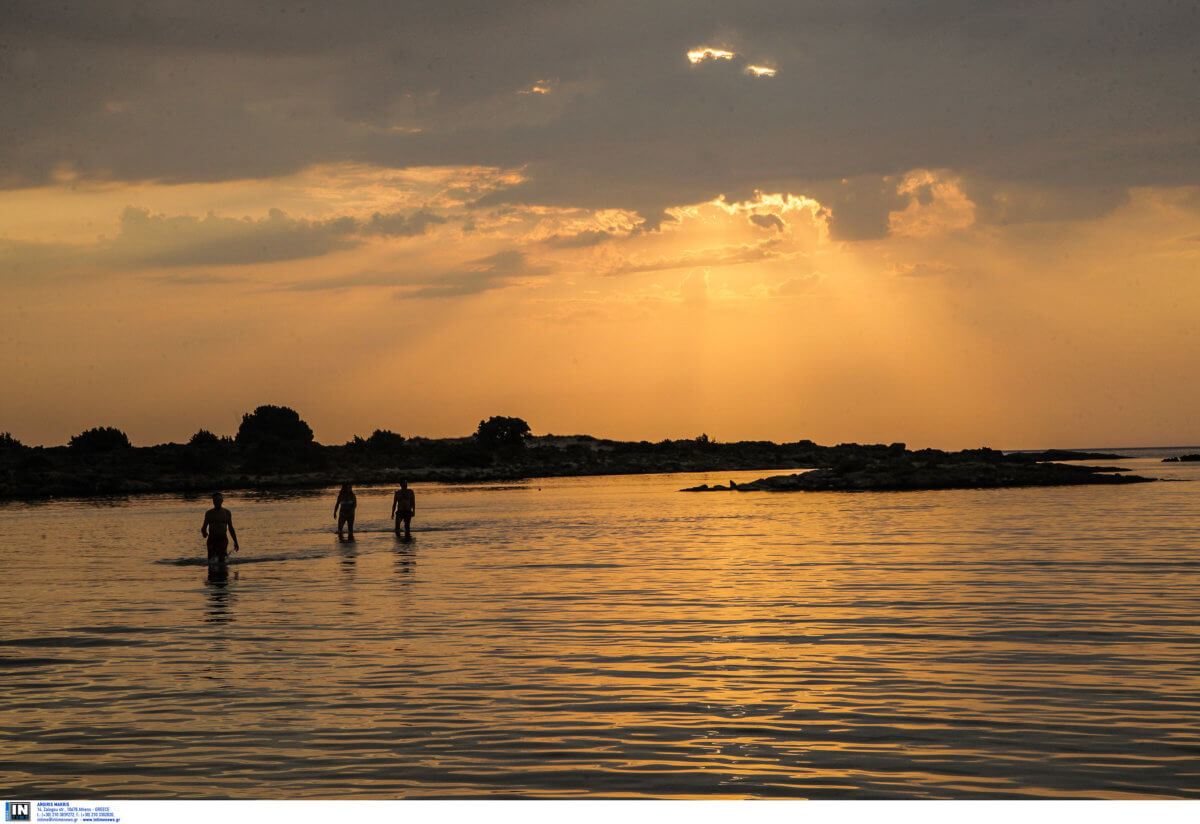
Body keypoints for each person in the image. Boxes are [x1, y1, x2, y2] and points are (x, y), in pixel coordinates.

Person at [201, 492, 239, 564]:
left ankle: (223, 573)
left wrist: (236, 541)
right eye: (215, 501)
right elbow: (203, 527)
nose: (217, 502)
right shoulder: (209, 513)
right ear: (213, 502)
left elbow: (231, 528)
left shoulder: (227, 512)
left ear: (222, 501)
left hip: (223, 538)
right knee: (211, 560)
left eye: (218, 500)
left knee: (222, 559)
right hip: (212, 539)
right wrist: (204, 533)